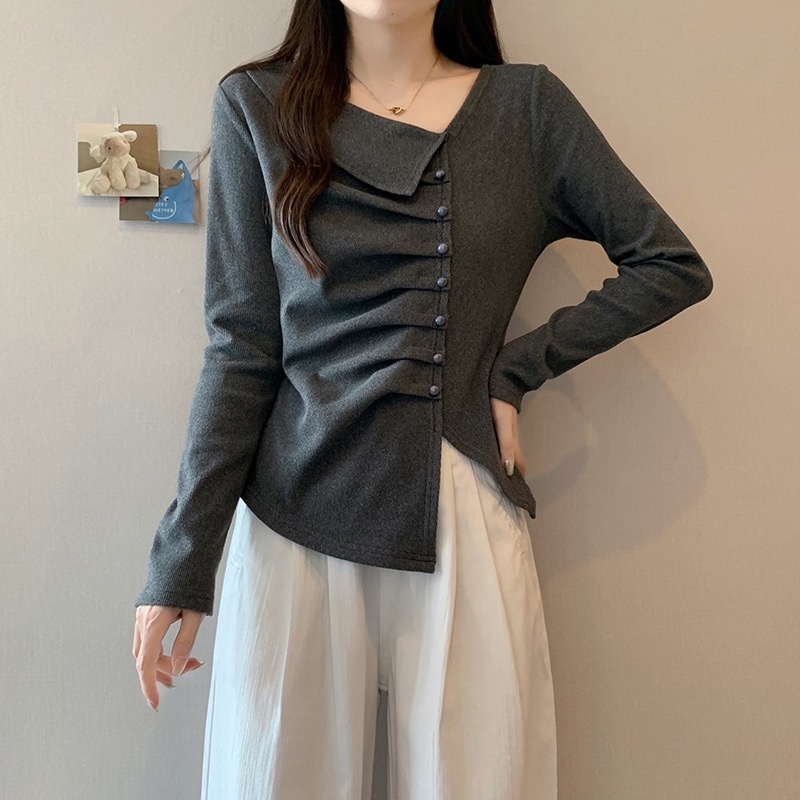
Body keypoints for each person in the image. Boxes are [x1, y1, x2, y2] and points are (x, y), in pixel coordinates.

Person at [132, 0, 713, 797]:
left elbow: (668, 263)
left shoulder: (526, 110)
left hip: (461, 505)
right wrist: (182, 560)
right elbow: (241, 348)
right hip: (294, 519)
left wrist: (514, 370)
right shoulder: (256, 106)